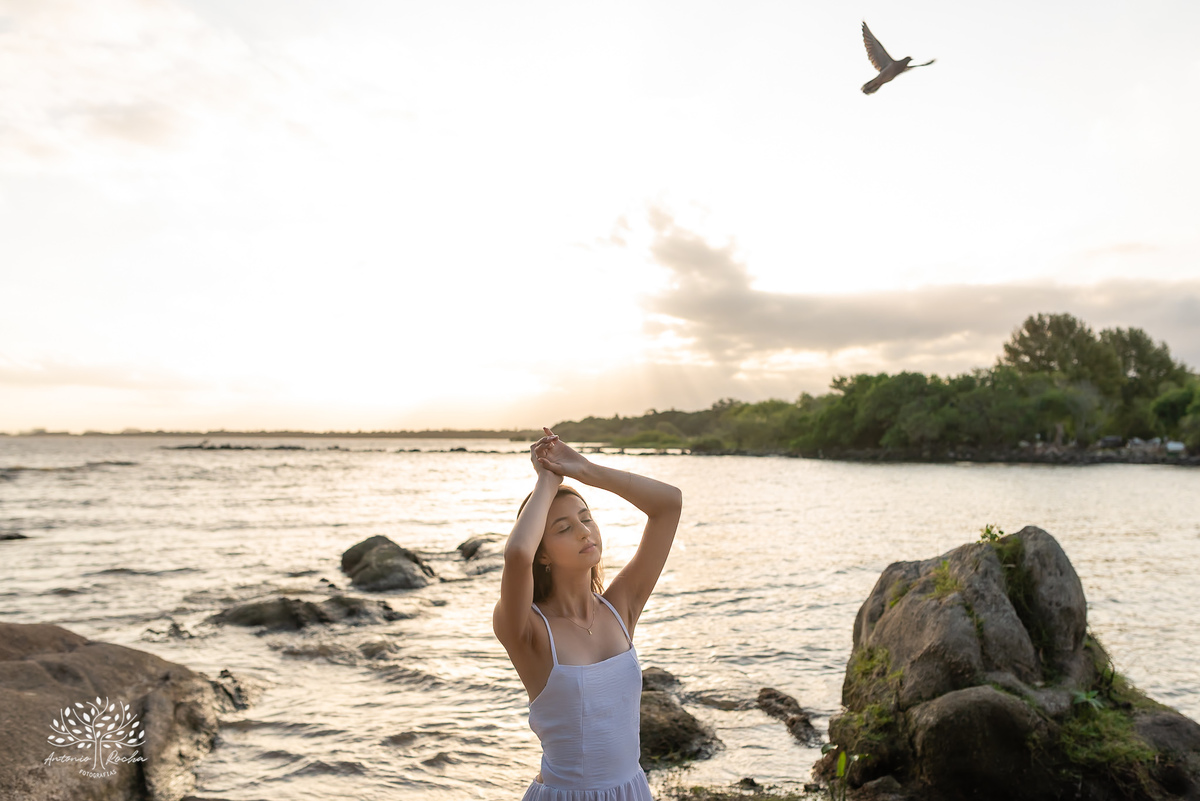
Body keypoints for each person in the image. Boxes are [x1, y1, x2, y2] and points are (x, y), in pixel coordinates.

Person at [493, 427, 683, 800]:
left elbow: (669, 505)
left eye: (586, 518)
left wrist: (584, 468)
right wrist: (548, 479)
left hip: (632, 790)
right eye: (563, 528)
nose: (584, 532)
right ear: (542, 553)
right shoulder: (528, 630)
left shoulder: (619, 608)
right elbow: (516, 554)